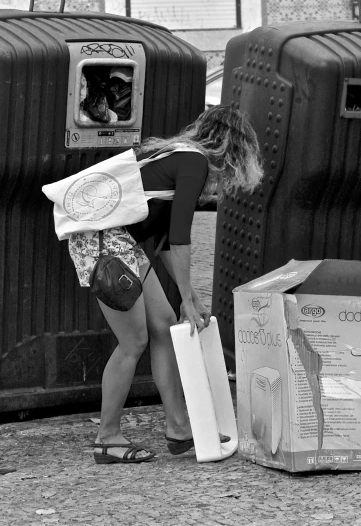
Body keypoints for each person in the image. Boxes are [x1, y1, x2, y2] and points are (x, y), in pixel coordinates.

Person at [67, 106, 263, 464]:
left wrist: (191, 297)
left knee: (163, 324)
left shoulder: (179, 155)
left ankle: (178, 427)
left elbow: (161, 245)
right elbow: (179, 236)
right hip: (104, 242)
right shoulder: (194, 162)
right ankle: (107, 437)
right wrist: (187, 297)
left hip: (116, 239)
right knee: (134, 340)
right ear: (234, 148)